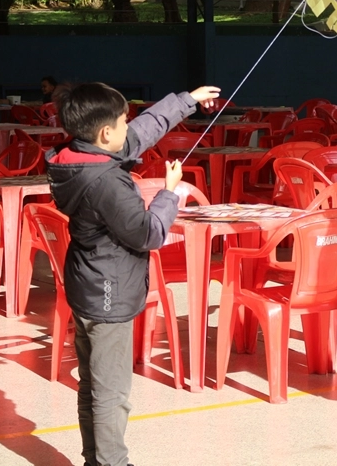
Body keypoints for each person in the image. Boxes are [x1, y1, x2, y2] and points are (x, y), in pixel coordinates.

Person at [45, 82, 220, 466]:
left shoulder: (75, 156)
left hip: (86, 283)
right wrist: (169, 194)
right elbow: (149, 233)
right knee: (110, 391)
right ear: (105, 133)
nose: (129, 127)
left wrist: (185, 101)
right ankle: (111, 462)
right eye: (123, 121)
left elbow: (141, 134)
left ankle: (97, 459)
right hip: (107, 291)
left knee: (93, 383)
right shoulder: (106, 182)